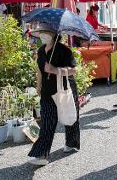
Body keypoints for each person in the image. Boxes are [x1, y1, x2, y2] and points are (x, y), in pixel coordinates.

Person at [28, 24, 80, 166]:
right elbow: (39, 70)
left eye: (45, 32)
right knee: (47, 123)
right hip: (47, 92)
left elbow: (73, 69)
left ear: (53, 33)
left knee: (70, 117)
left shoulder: (63, 50)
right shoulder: (41, 50)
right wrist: (38, 86)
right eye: (41, 32)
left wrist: (55, 70)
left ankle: (72, 143)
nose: (42, 34)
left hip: (64, 88)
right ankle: (41, 154)